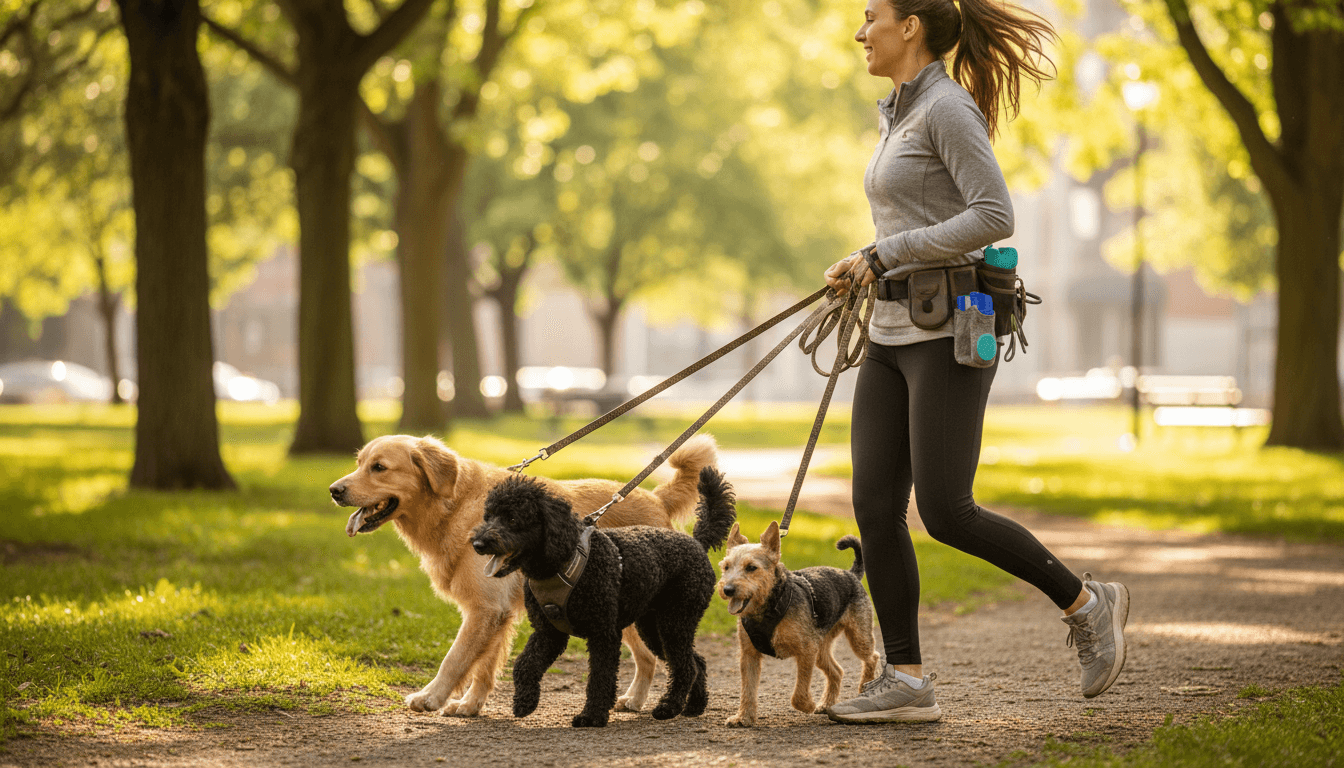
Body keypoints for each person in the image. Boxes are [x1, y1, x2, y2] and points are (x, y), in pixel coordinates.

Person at [821, 0, 1129, 724]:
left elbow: (994, 215)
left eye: (871, 17)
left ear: (910, 27)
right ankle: (907, 679)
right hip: (894, 330)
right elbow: (915, 217)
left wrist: (884, 252)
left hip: (952, 331)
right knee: (873, 506)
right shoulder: (897, 111)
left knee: (948, 511)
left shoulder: (947, 108)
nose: (860, 31)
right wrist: (866, 261)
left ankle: (1087, 605)